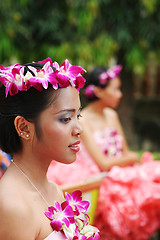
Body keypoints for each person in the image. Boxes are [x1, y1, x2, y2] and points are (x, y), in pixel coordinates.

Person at [47, 65, 160, 240]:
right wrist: (131, 157)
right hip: (99, 177)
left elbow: (124, 151)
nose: (120, 94)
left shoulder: (111, 115)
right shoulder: (82, 121)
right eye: (116, 89)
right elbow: (104, 163)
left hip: (117, 172)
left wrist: (129, 157)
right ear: (99, 91)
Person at [0, 58, 98, 240]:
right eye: (66, 118)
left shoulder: (53, 190)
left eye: (78, 115)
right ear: (23, 127)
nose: (79, 129)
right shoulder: (13, 207)